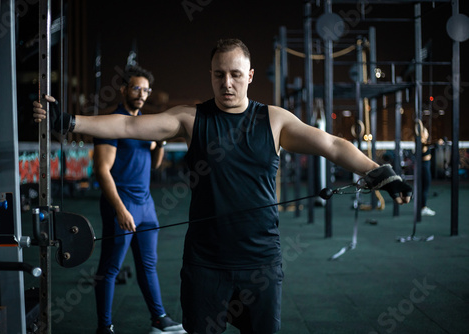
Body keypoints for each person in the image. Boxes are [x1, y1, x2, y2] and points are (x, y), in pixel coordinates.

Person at [33, 38, 412, 334]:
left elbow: (331, 144)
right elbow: (129, 127)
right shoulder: (191, 118)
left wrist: (380, 171)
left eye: (234, 74)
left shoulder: (274, 121)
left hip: (260, 262)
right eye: (218, 74)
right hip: (205, 265)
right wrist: (67, 120)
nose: (226, 82)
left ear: (249, 75)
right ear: (211, 75)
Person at [88, 65, 184, 334]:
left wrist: (162, 141)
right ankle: (104, 327)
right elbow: (101, 170)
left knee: (148, 265)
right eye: (136, 88)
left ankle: (159, 319)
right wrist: (119, 209)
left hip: (146, 205)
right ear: (124, 90)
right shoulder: (112, 124)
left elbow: (155, 163)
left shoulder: (145, 123)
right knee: (110, 268)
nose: (142, 94)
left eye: (146, 89)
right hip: (122, 204)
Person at [420, 127, 435, 216]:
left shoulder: (424, 143)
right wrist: (437, 142)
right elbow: (427, 144)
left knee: (424, 188)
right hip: (425, 167)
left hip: (426, 166)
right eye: (426, 131)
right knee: (425, 188)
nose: (427, 133)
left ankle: (422, 207)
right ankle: (423, 208)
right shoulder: (423, 144)